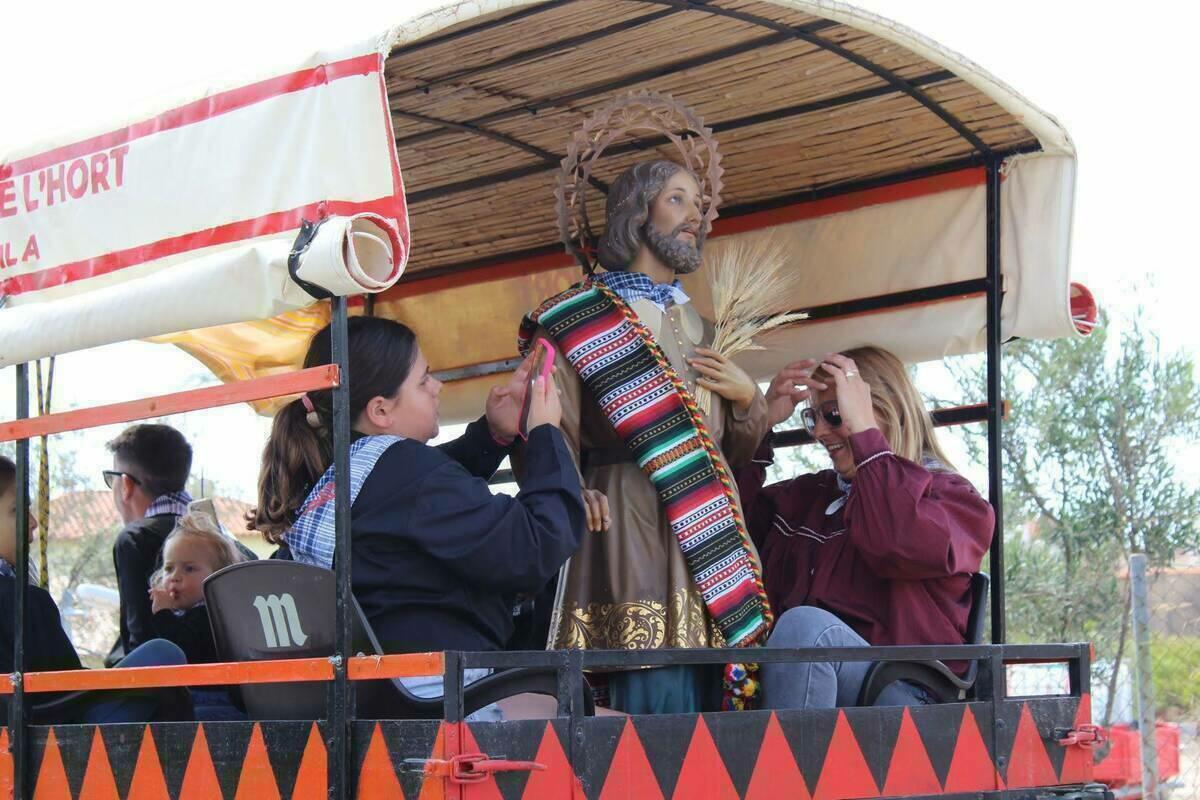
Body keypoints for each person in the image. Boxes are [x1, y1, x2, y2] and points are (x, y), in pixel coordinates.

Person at [519, 158, 770, 714]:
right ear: (636, 214)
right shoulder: (574, 317)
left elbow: (729, 452)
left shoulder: (704, 327)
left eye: (700, 207)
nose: (694, 218)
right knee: (639, 684)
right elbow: (544, 424)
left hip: (701, 528)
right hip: (618, 516)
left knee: (705, 692)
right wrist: (565, 489)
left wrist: (749, 401)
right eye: (678, 200)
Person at [249, 316, 585, 716]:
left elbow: (420, 498)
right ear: (380, 410)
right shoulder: (407, 472)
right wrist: (547, 433)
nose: (437, 386)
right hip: (439, 702)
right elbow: (536, 545)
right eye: (424, 379)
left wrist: (492, 436)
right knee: (626, 737)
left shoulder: (336, 480)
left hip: (370, 703)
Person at [734, 347, 995, 709]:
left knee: (806, 632)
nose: (820, 432)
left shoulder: (953, 499)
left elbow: (895, 543)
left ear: (884, 411)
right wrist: (760, 425)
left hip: (899, 692)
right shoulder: (808, 496)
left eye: (835, 414)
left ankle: (789, 766)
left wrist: (868, 443)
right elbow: (724, 529)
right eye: (813, 418)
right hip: (807, 688)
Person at [0, 455, 189, 724]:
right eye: (17, 511)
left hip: (32, 721)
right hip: (53, 730)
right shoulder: (24, 600)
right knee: (164, 653)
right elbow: (65, 685)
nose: (33, 522)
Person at [104, 424, 194, 666]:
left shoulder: (135, 539)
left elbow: (140, 643)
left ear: (126, 485)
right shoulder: (216, 532)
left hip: (169, 693)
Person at [149, 510, 245, 720]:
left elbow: (177, 650)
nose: (175, 577)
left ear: (218, 576)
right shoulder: (189, 614)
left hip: (213, 702)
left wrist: (163, 614)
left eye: (189, 569)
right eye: (168, 568)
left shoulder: (209, 615)